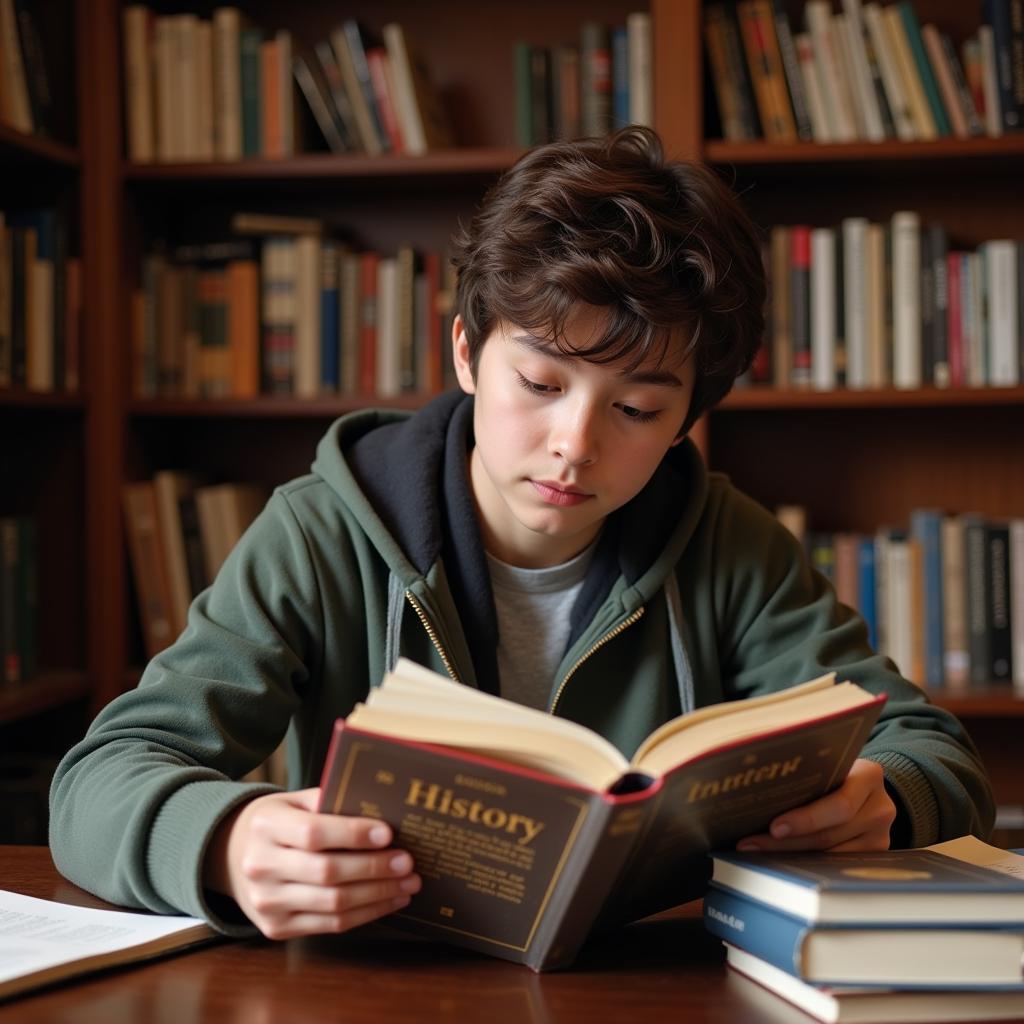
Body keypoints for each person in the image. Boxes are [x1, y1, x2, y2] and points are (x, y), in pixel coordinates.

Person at [50, 127, 994, 943]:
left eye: (634, 407)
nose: (573, 445)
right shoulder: (323, 529)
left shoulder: (729, 545)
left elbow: (932, 751)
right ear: (467, 351)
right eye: (540, 385)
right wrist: (224, 841)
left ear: (685, 424)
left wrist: (888, 794)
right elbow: (97, 782)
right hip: (377, 981)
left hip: (650, 987)